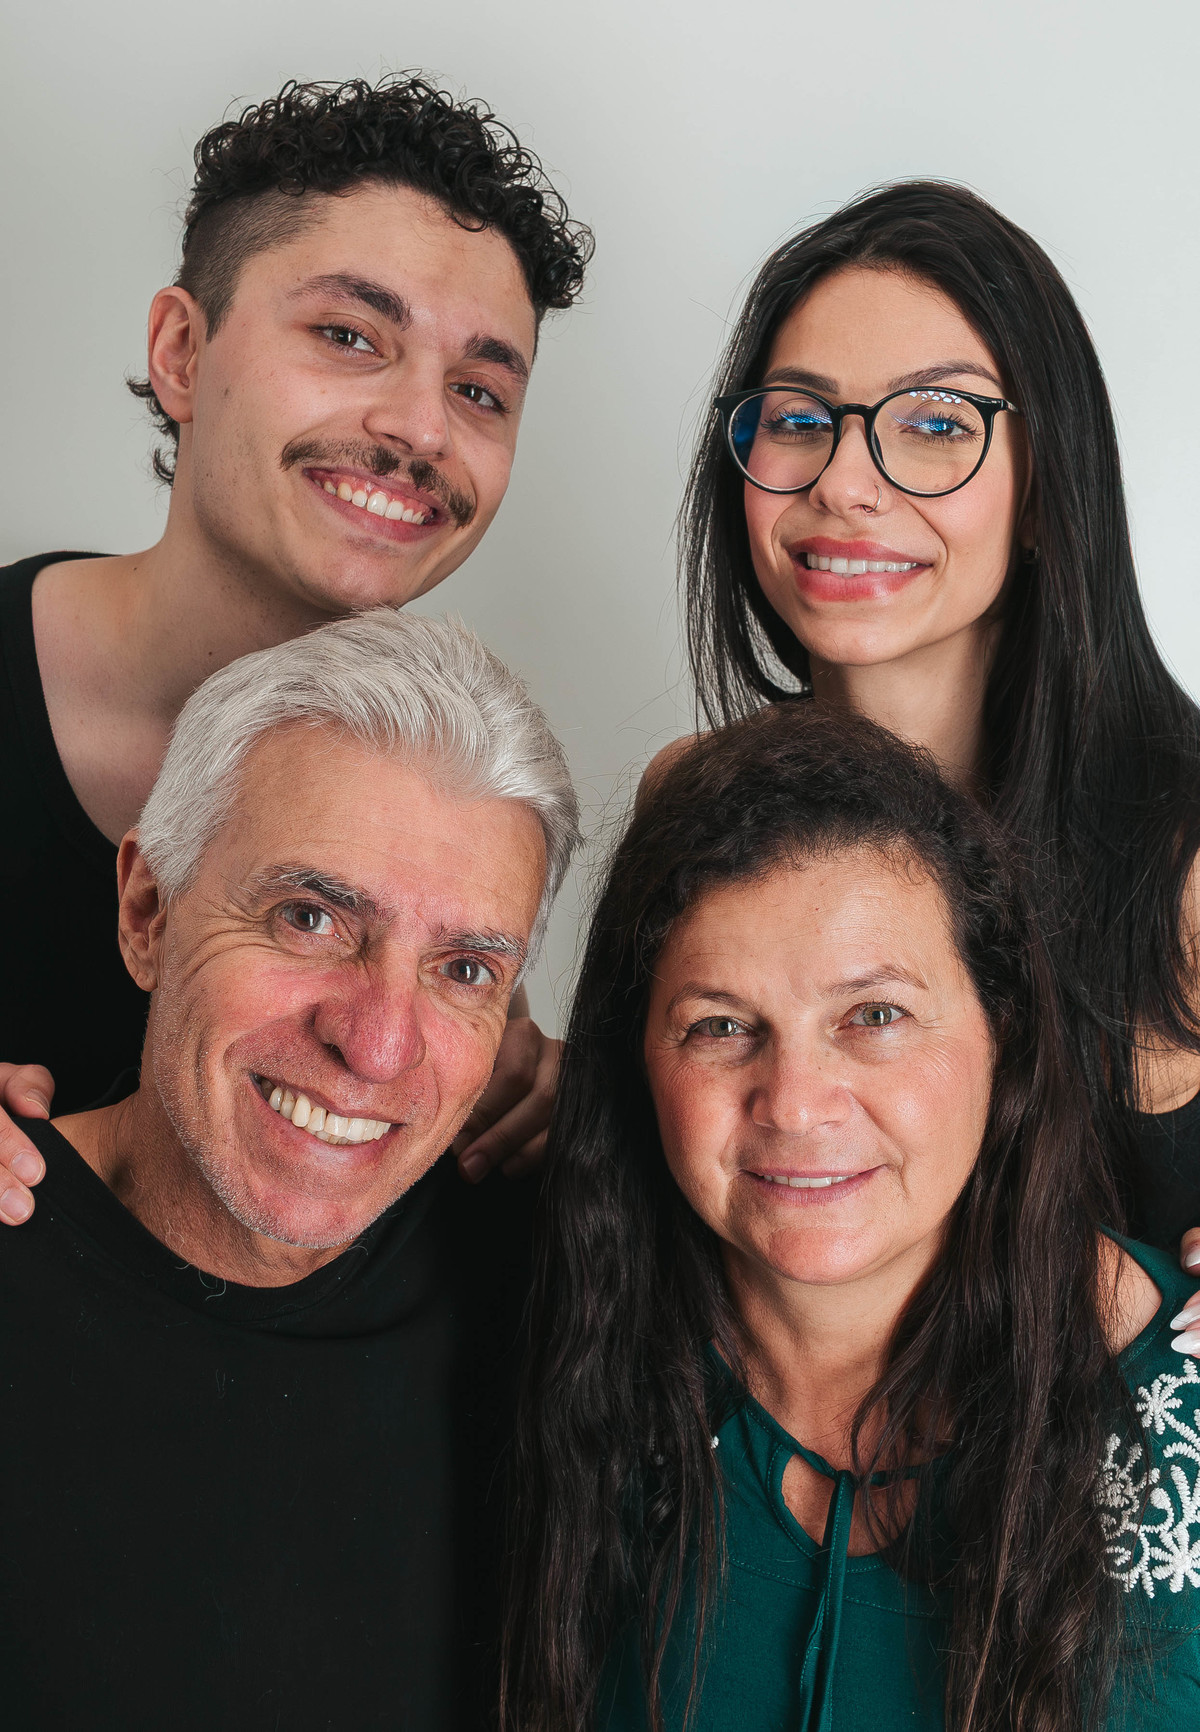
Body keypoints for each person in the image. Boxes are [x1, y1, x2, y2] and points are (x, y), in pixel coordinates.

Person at [503, 706, 1200, 1732]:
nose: (794, 1102)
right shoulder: (545, 1359)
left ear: (1002, 1029)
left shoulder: (1186, 1401)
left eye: (874, 1015)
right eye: (720, 1026)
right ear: (636, 1059)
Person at [0, 73, 592, 1220]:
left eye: (479, 390)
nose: (422, 428)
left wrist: (551, 1108)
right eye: (348, 336)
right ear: (182, 351)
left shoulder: (459, 816)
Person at [0, 606, 578, 1729]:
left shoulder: (551, 1290)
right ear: (147, 912)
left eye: (464, 969)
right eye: (309, 917)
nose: (378, 1045)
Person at [674, 181, 1200, 1279]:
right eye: (799, 419)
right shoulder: (690, 803)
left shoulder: (1183, 850)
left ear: (1047, 489)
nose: (846, 485)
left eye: (934, 425)